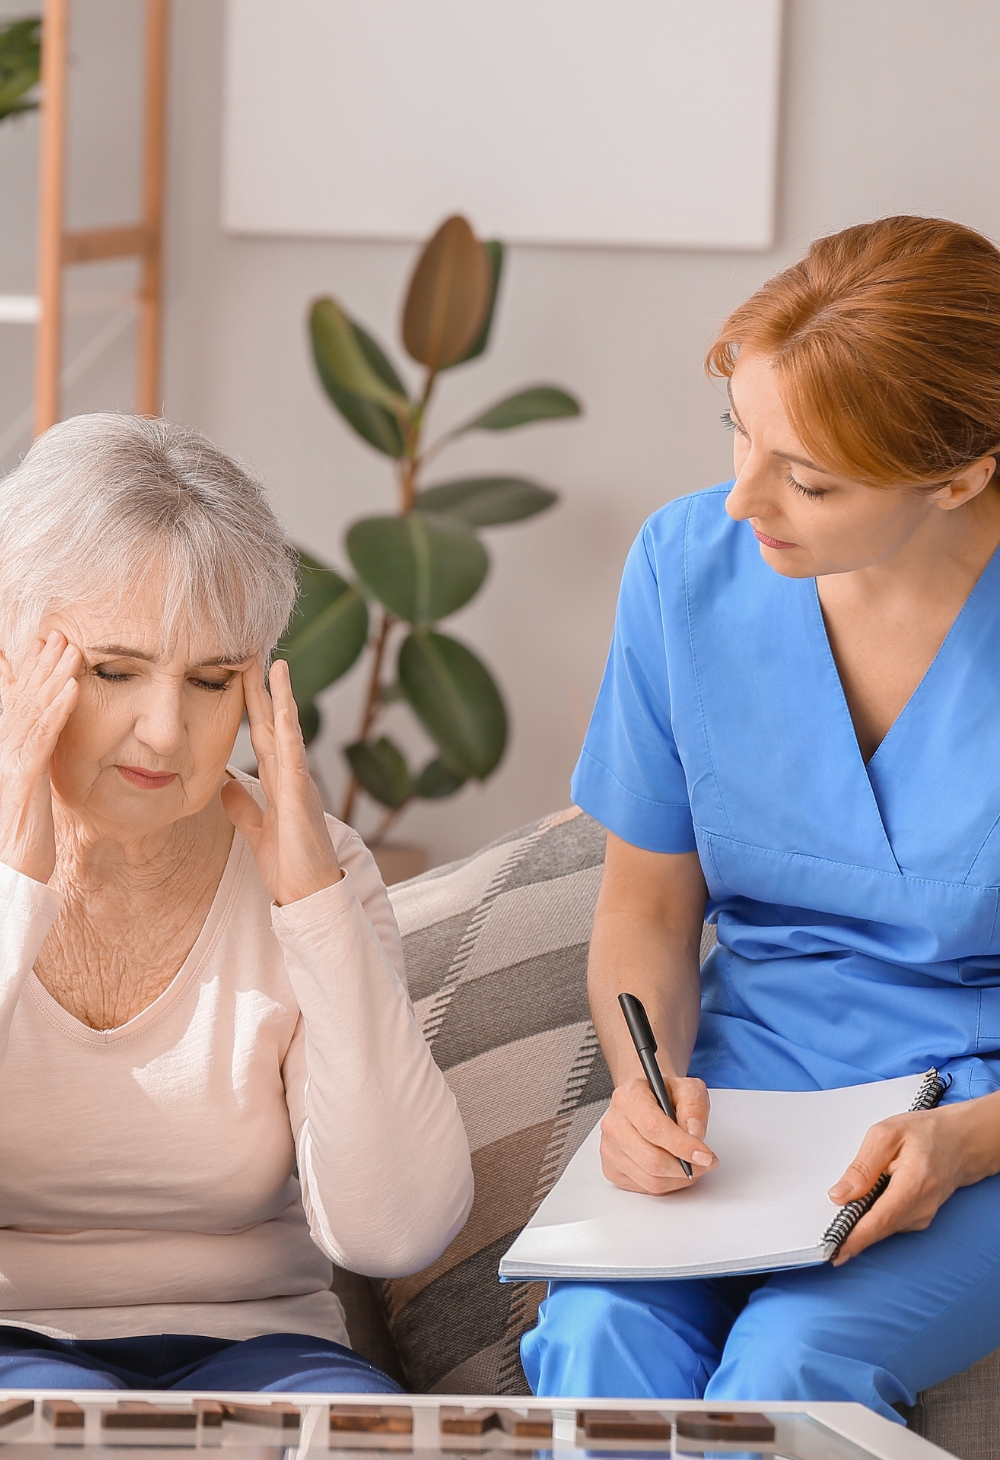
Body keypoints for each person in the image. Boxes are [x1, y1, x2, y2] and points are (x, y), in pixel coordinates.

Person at [521, 216, 1000, 1420]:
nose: (741, 499)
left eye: (811, 478)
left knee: (793, 1370)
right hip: (748, 1099)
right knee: (594, 1333)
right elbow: (644, 904)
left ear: (960, 472)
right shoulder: (686, 567)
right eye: (738, 431)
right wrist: (644, 1081)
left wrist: (976, 1139)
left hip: (982, 1114)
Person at [0, 413, 473, 1392]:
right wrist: (16, 890)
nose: (166, 730)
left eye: (212, 679)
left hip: (266, 1348)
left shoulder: (314, 867)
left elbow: (398, 1227)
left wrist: (315, 910)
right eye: (115, 670)